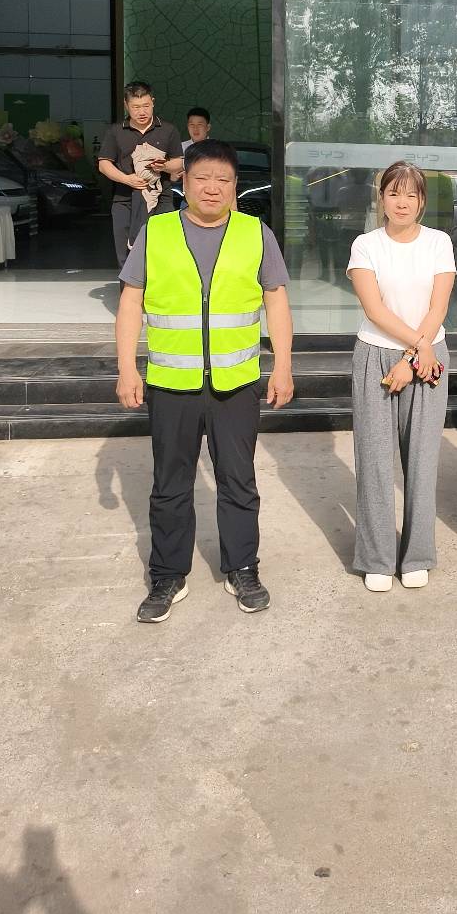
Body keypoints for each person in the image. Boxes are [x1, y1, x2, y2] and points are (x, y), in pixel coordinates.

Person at [115, 139, 294, 623]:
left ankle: (243, 567)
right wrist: (127, 368)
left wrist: (282, 366)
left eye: (223, 179)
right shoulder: (157, 232)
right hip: (172, 383)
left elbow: (276, 300)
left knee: (239, 481)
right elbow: (131, 300)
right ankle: (168, 575)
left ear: (235, 186)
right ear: (184, 182)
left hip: (236, 383)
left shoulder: (256, 233)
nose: (212, 188)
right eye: (202, 178)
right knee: (169, 484)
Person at [346, 161, 455, 592]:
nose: (402, 202)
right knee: (374, 461)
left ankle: (416, 556)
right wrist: (417, 349)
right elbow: (375, 310)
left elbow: (438, 307)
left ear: (422, 201)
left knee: (422, 462)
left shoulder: (439, 243)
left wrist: (413, 358)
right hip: (376, 355)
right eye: (394, 193)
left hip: (427, 360)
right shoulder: (366, 245)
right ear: (382, 199)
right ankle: (376, 558)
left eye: (411, 194)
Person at [98, 81, 184, 267]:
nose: (142, 112)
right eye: (136, 107)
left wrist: (164, 166)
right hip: (125, 198)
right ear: (126, 105)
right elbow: (104, 164)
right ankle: (129, 286)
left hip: (160, 198)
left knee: (162, 251)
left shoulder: (168, 130)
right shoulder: (116, 131)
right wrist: (126, 179)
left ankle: (158, 286)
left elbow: (179, 162)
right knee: (126, 254)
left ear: (153, 102)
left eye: (146, 106)